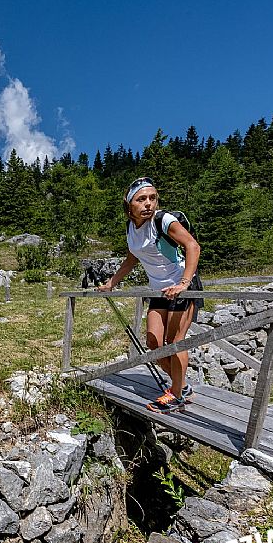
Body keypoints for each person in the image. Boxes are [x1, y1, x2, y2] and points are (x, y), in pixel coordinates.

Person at [96, 177, 202, 414]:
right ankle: (181, 385)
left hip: (182, 286)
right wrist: (111, 283)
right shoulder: (131, 228)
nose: (148, 204)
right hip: (159, 290)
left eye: (152, 198)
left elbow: (192, 246)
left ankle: (175, 395)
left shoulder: (164, 221)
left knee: (176, 343)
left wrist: (184, 283)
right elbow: (133, 258)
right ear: (129, 205)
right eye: (141, 199)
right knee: (154, 343)